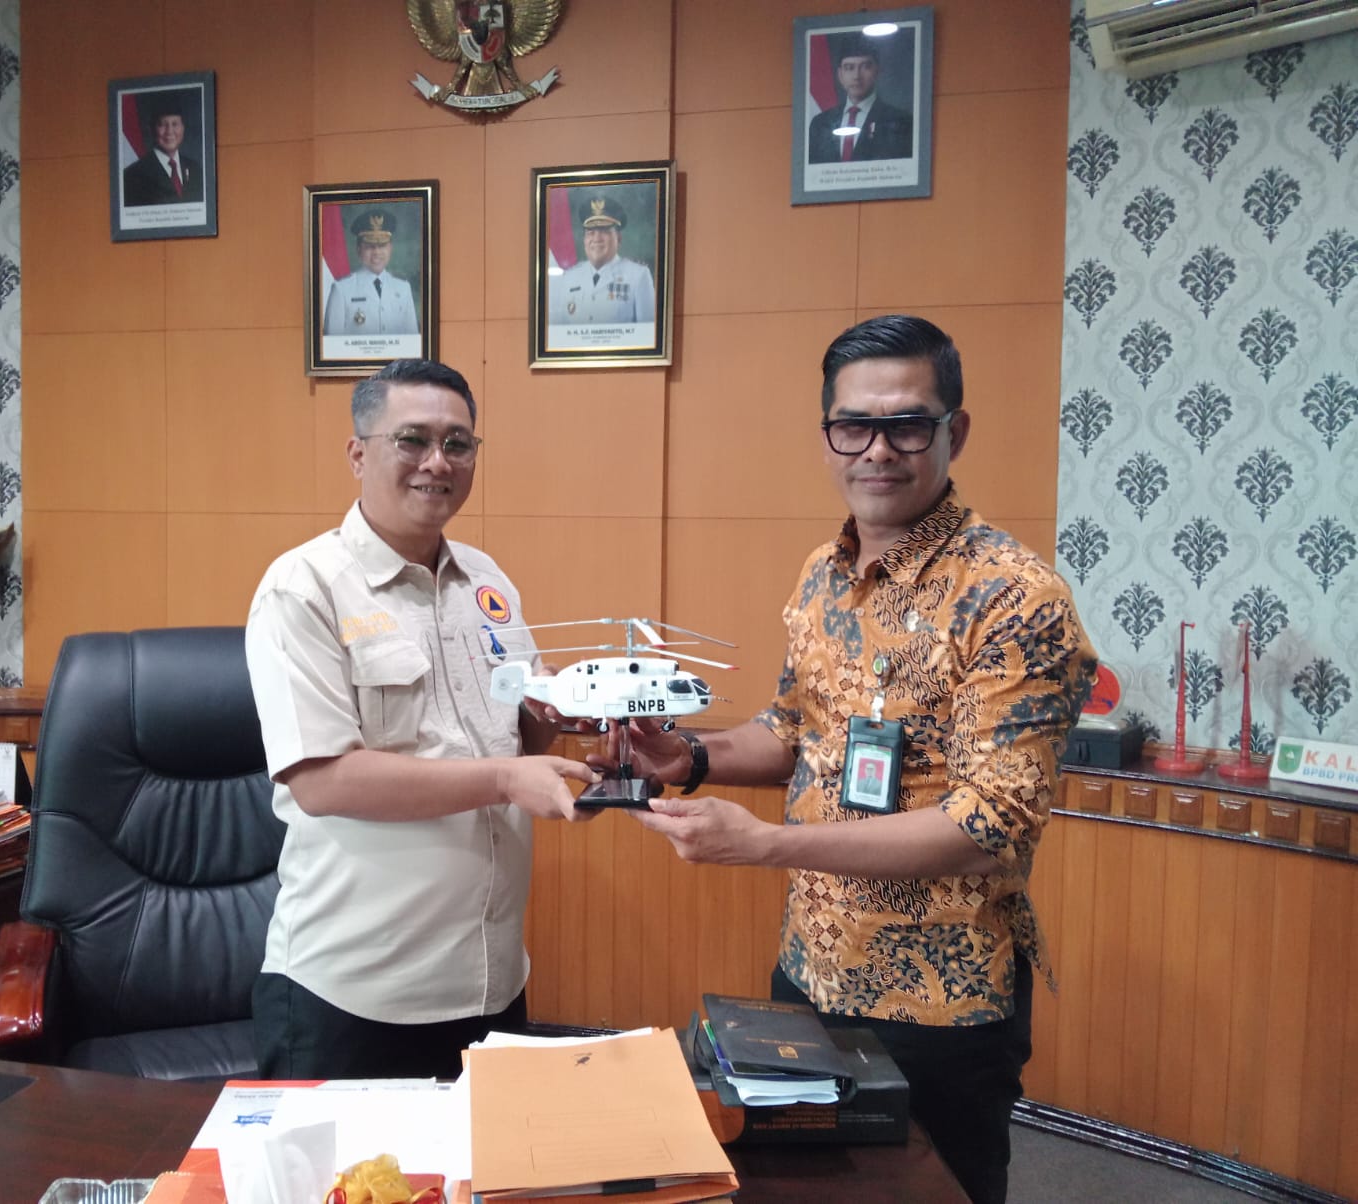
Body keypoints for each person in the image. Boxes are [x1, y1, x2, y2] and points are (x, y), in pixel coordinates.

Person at [604, 315, 1097, 1204]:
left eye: (906, 424)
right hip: (809, 971)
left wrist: (765, 845)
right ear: (828, 432)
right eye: (854, 425)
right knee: (796, 1190)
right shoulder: (822, 573)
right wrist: (686, 756)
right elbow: (792, 731)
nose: (878, 449)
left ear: (955, 432)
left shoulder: (1015, 598)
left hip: (939, 1003)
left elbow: (990, 824)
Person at [244, 357, 597, 1081]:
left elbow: (515, 734)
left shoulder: (487, 582)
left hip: (491, 982)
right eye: (413, 439)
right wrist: (505, 779)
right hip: (354, 995)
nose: (438, 462)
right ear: (358, 453)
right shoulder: (303, 588)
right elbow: (323, 781)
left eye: (458, 443)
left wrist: (557, 712)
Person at [548, 195, 656, 326]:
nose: (596, 238)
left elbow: (648, 332)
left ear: (619, 238)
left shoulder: (638, 276)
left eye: (604, 231)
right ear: (584, 240)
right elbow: (559, 331)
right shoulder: (569, 277)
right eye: (590, 232)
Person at [807, 34, 914, 164]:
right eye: (849, 68)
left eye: (865, 66)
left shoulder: (900, 122)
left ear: (877, 71)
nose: (856, 76)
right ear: (840, 74)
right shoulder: (820, 124)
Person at [323, 210, 420, 337]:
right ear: (359, 250)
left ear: (390, 248)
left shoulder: (403, 288)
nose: (376, 253)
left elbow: (412, 341)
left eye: (382, 245)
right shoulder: (341, 289)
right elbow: (333, 343)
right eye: (369, 246)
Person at [122, 101, 204, 205]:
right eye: (162, 125)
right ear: (152, 129)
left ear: (183, 128)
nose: (169, 131)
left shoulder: (195, 169)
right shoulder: (133, 175)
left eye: (175, 124)